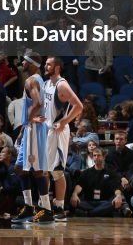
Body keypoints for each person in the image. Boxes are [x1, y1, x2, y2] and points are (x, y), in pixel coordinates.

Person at [43, 55, 84, 221]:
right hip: (47, 130)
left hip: (58, 131)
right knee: (44, 171)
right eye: (45, 64)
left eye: (49, 64)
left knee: (57, 171)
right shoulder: (46, 84)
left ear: (57, 67)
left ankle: (59, 207)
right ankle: (44, 206)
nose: (45, 66)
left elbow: (79, 106)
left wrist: (64, 122)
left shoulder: (62, 85)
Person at [12, 51, 52, 224]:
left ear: (33, 63)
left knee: (36, 170)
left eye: (25, 61)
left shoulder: (32, 80)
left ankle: (46, 210)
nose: (23, 64)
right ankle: (29, 206)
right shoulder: (38, 80)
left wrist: (29, 119)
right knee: (20, 167)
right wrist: (23, 128)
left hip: (35, 129)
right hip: (30, 128)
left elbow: (38, 103)